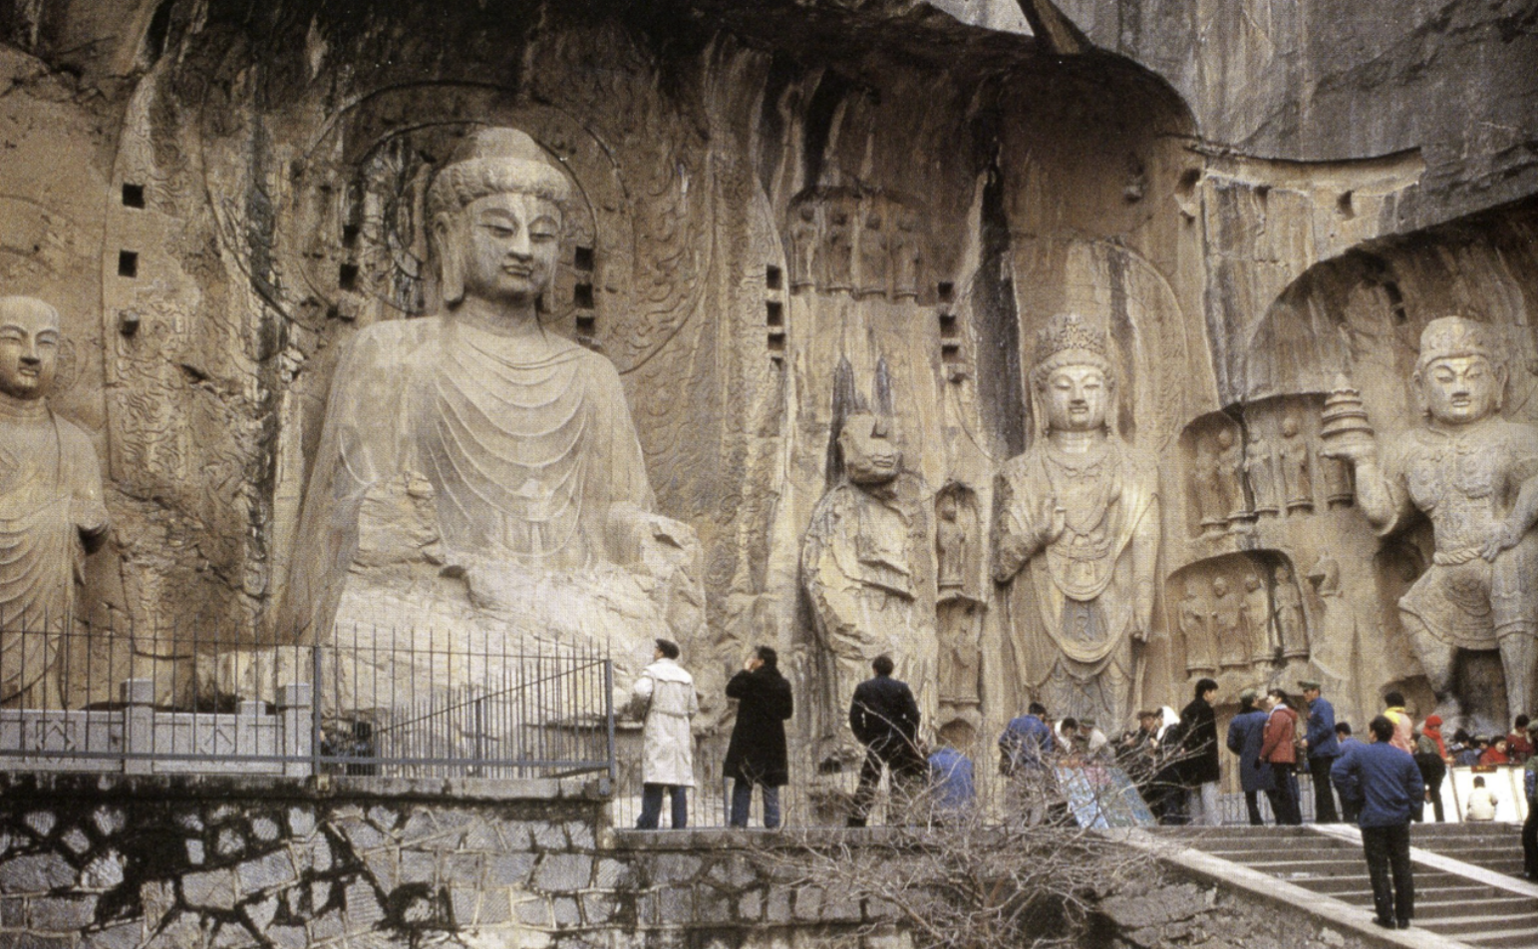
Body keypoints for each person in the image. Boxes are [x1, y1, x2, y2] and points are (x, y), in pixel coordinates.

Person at [1322, 317, 1538, 718]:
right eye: (1445, 377)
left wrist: (1513, 528)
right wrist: (1364, 460)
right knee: (1415, 608)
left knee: (1515, 569)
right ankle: (1448, 702)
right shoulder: (1410, 448)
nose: (1460, 388)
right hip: (1451, 563)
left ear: (1500, 381)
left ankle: (1522, 715)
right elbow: (1384, 517)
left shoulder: (1516, 438)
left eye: (1474, 375)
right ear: (1420, 389)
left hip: (1506, 557)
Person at [992, 313, 1159, 730]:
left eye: (1091, 385)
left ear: (1110, 393)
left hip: (1115, 602)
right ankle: (1058, 788)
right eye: (1064, 387)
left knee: (1114, 714)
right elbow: (1001, 564)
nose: (1079, 397)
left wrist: (1142, 596)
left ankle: (1113, 784)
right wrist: (1035, 535)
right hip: (1045, 601)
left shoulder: (1136, 467)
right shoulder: (1020, 472)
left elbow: (1143, 531)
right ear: (1041, 396)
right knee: (1055, 712)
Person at [0, 296, 110, 708]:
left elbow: (93, 514)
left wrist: (88, 520)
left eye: (45, 343)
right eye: (14, 339)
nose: (31, 355)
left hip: (44, 608)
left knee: (41, 700)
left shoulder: (74, 442)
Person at [1332, 715, 1423, 930]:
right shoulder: (1404, 758)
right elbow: (1417, 787)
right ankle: (1404, 915)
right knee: (1402, 866)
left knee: (1378, 868)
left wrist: (1353, 796)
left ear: (1372, 733)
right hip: (1399, 818)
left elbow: (1337, 771)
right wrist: (1411, 809)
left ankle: (1385, 915)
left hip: (1373, 818)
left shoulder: (1361, 753)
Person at [848, 654, 924, 827]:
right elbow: (913, 715)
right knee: (898, 781)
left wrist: (864, 737)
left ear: (874, 670)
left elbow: (854, 717)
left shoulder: (864, 688)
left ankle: (857, 821)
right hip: (897, 739)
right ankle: (897, 820)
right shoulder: (901, 688)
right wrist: (908, 736)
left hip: (875, 739)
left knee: (868, 781)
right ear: (891, 670)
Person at [722, 645, 793, 829]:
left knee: (744, 781)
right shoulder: (783, 684)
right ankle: (772, 826)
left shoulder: (751, 680)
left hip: (749, 739)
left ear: (760, 661)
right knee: (770, 783)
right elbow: (787, 712)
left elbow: (731, 689)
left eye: (755, 658)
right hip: (773, 741)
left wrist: (745, 670)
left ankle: (738, 825)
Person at [633, 639, 699, 829]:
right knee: (678, 781)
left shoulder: (652, 672)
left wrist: (639, 714)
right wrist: (682, 719)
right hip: (680, 728)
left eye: (655, 649)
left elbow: (639, 693)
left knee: (655, 778)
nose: (653, 652)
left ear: (661, 653)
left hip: (658, 724)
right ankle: (680, 827)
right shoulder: (686, 676)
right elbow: (693, 707)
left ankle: (648, 826)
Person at [999, 702, 1056, 824]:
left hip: (1015, 770)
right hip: (1033, 768)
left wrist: (1009, 757)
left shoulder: (1014, 722)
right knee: (1037, 801)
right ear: (1041, 715)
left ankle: (1014, 828)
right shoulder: (1042, 728)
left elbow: (1002, 741)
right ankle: (1034, 828)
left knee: (1014, 800)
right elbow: (1046, 754)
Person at [1179, 678, 1222, 826]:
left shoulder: (1186, 710)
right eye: (1213, 692)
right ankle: (1213, 824)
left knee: (1195, 794)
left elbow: (1184, 736)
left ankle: (1197, 825)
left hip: (1191, 758)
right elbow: (1209, 737)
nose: (1215, 695)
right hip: (1206, 758)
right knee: (1209, 792)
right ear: (1206, 692)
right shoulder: (1206, 710)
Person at [1226, 688, 1272, 826]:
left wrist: (1242, 751)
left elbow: (1230, 742)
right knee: (1272, 792)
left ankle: (1256, 822)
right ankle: (1281, 819)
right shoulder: (1264, 717)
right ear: (1253, 701)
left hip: (1247, 761)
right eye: (1257, 698)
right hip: (1265, 759)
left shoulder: (1236, 720)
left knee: (1250, 797)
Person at [1299, 680, 1341, 823]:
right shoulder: (1314, 707)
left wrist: (1309, 740)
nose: (1305, 694)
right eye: (1304, 691)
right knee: (1320, 785)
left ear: (1316, 691)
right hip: (1317, 751)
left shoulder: (1322, 705)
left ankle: (1329, 818)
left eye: (1307, 691)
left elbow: (1327, 727)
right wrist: (1305, 738)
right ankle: (1323, 816)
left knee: (1322, 785)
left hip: (1323, 751)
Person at [1260, 688, 1302, 826]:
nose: (1267, 700)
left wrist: (1263, 754)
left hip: (1279, 755)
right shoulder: (1286, 714)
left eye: (1270, 697)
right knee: (1287, 787)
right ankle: (1293, 817)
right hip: (1286, 754)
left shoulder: (1278, 715)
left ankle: (1288, 818)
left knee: (1283, 788)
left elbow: (1273, 737)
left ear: (1278, 699)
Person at [928, 744, 976, 823]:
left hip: (944, 812)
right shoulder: (967, 761)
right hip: (967, 811)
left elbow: (926, 788)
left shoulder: (932, 760)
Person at [1412, 725, 1447, 823]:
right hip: (1436, 773)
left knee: (1419, 795)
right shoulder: (1435, 757)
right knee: (1436, 794)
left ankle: (1419, 819)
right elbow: (1442, 770)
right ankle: (1440, 819)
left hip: (1423, 775)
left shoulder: (1415, 758)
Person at [1522, 721, 1538, 879]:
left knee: (1528, 834)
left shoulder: (1534, 761)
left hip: (1537, 805)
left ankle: (1532, 869)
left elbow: (1530, 783)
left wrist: (1530, 801)